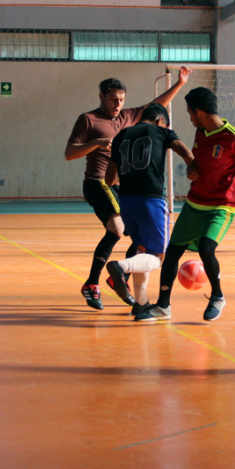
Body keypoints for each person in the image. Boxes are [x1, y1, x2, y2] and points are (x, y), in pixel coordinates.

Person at [135, 87, 235, 323]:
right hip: (194, 203)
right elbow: (198, 164)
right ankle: (162, 306)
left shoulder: (234, 137)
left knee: (206, 248)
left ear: (198, 112)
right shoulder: (201, 133)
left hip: (221, 206)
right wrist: (191, 170)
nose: (189, 117)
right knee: (172, 254)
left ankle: (217, 296)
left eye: (189, 113)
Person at [65, 67, 190, 310]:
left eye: (121, 99)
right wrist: (97, 143)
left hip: (122, 187)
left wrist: (179, 84)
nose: (117, 104)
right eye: (113, 99)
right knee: (117, 228)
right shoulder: (88, 119)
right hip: (98, 182)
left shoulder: (128, 117)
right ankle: (92, 284)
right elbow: (70, 153)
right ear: (101, 96)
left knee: (140, 234)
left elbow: (156, 106)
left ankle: (118, 276)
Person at [102, 103, 196, 315]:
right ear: (159, 121)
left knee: (142, 250)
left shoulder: (121, 135)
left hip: (126, 202)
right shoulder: (163, 131)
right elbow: (184, 150)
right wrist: (194, 167)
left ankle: (141, 303)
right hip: (151, 200)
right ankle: (121, 267)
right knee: (158, 257)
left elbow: (109, 179)